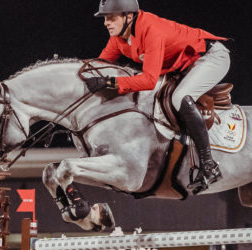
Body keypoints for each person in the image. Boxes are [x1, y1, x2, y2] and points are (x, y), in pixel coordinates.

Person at [87, 0, 230, 193]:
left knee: (179, 97)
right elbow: (99, 65)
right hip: (182, 66)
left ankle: (209, 165)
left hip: (211, 57)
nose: (106, 23)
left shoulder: (151, 29)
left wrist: (111, 82)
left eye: (111, 17)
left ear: (129, 17)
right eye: (105, 18)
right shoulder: (119, 38)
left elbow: (149, 80)